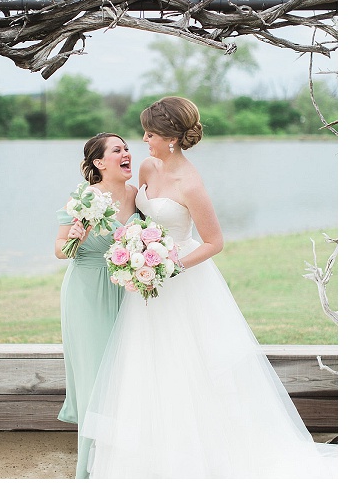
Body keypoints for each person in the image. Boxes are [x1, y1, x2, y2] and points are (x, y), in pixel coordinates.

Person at [80, 97, 337, 478]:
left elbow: (214, 242)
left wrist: (170, 267)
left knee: (191, 366)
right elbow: (129, 207)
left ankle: (202, 459)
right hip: (146, 283)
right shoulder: (149, 167)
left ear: (170, 138)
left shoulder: (191, 184)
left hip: (181, 281)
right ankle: (148, 459)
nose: (144, 140)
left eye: (150, 133)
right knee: (145, 365)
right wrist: (122, 243)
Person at [54, 133, 140, 479]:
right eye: (117, 150)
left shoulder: (138, 196)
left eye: (127, 149)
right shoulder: (85, 198)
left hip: (127, 291)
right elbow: (60, 250)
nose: (126, 153)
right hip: (87, 291)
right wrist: (76, 236)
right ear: (99, 163)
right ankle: (85, 469)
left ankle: (123, 458)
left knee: (125, 372)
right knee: (95, 376)